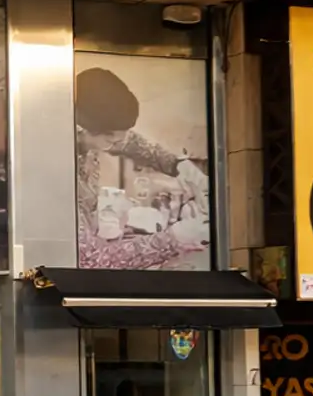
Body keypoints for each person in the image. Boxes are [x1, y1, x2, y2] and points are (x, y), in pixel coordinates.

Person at [73, 66, 210, 270]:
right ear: (80, 128)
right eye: (109, 139)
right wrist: (174, 239)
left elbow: (130, 142)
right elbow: (92, 260)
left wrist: (177, 164)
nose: (116, 144)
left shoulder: (93, 136)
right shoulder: (58, 175)